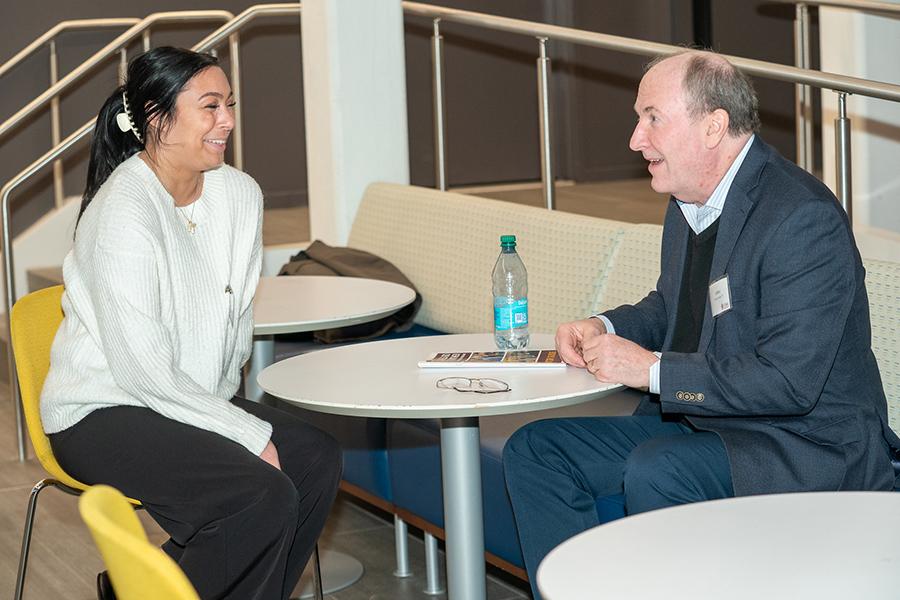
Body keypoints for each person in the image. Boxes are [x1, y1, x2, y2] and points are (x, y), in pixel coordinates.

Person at [503, 49, 900, 599]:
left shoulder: (801, 219)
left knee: (659, 468)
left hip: (802, 446)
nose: (636, 140)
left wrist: (653, 372)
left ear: (713, 125)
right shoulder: (692, 200)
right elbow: (673, 308)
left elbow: (788, 382)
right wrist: (602, 326)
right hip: (707, 422)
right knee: (537, 450)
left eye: (652, 118)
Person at [40, 47, 341, 600]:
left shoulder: (240, 195)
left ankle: (139, 589)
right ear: (157, 118)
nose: (226, 119)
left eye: (229, 104)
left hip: (187, 399)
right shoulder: (121, 211)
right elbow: (142, 372)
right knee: (260, 494)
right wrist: (243, 434)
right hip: (102, 409)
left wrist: (228, 419)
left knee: (314, 458)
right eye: (209, 106)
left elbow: (232, 326)